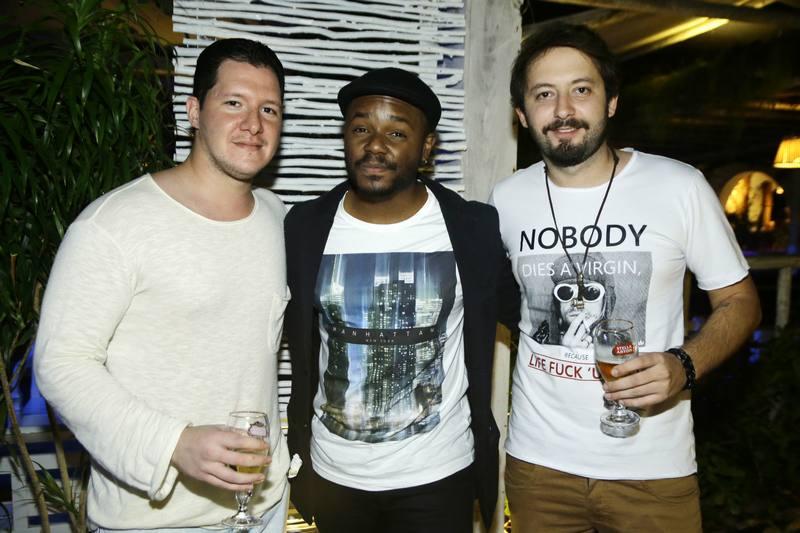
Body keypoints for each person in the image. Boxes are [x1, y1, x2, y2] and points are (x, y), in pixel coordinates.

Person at [490, 23, 761, 532]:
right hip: (538, 467)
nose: (563, 109)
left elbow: (741, 302)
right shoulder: (506, 200)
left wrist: (685, 364)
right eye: (544, 94)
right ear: (522, 114)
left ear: (611, 102)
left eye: (581, 89)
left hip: (652, 470)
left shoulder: (678, 186)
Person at [34, 38, 291, 531]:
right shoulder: (114, 224)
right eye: (233, 103)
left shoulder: (277, 219)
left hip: (262, 508)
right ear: (194, 112)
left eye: (269, 109)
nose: (253, 124)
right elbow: (61, 363)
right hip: (156, 519)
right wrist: (172, 444)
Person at [284, 67, 519, 533]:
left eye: (396, 133)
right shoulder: (305, 227)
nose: (375, 146)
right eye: (361, 129)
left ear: (426, 146)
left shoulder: (472, 228)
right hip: (334, 474)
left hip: (439, 475)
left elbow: (528, 319)